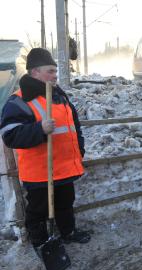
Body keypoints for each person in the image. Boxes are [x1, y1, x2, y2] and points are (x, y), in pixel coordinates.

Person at [0, 48, 90, 249]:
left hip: (64, 167)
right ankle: (41, 243)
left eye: (55, 71)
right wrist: (39, 129)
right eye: (50, 70)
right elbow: (10, 134)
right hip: (40, 171)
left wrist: (79, 150)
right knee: (38, 210)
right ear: (34, 73)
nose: (55, 75)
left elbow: (73, 126)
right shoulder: (19, 100)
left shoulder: (59, 95)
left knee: (65, 203)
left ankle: (68, 232)